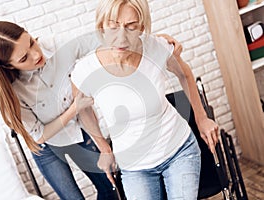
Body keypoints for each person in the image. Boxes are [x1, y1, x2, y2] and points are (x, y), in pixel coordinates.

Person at [71, 0, 219, 199]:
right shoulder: (85, 70)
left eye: (131, 27)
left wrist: (201, 119)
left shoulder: (156, 47)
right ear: (102, 26)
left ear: (141, 26)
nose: (121, 37)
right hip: (134, 168)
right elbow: (83, 109)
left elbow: (185, 75)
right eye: (113, 26)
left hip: (179, 151)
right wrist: (104, 148)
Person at [0, 21, 119, 200]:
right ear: (9, 66)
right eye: (24, 58)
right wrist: (75, 108)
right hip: (45, 147)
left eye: (31, 42)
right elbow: (39, 135)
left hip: (75, 131)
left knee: (110, 187)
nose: (36, 54)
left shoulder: (54, 45)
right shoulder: (11, 92)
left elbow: (97, 39)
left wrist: (150, 41)